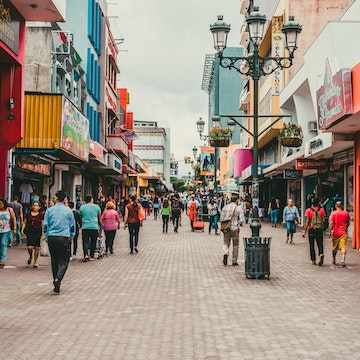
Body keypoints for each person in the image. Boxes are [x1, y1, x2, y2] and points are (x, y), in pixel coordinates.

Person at [44, 190, 75, 294]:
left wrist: (46, 235)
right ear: (64, 199)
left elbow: (46, 225)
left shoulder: (49, 210)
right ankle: (58, 279)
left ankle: (56, 280)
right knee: (64, 261)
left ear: (56, 198)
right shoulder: (68, 211)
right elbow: (72, 226)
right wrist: (71, 236)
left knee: (54, 260)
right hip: (64, 237)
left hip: (52, 237)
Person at [302, 198, 326, 265]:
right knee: (320, 244)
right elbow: (323, 220)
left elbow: (307, 221)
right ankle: (320, 254)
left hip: (311, 229)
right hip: (319, 230)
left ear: (312, 203)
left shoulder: (308, 210)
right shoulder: (321, 210)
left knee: (312, 245)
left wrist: (304, 231)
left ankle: (313, 260)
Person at [220, 195, 242, 266]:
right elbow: (242, 220)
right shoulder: (238, 208)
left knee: (226, 243)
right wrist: (238, 224)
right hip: (234, 228)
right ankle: (234, 260)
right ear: (236, 201)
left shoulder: (225, 207)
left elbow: (221, 218)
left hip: (226, 228)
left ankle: (225, 253)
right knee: (235, 245)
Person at [21, 201, 44, 268]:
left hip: (37, 231)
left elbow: (43, 224)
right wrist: (22, 230)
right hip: (30, 231)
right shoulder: (28, 214)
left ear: (39, 207)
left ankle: (35, 262)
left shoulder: (41, 215)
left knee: (37, 247)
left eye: (36, 206)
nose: (35, 207)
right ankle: (31, 256)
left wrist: (43, 234)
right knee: (30, 247)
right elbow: (25, 223)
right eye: (34, 205)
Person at [328, 201, 351, 267]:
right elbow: (348, 223)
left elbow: (331, 223)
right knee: (343, 246)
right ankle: (343, 260)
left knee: (334, 248)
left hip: (336, 233)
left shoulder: (333, 213)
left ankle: (334, 258)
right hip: (343, 233)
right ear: (342, 206)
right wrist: (345, 227)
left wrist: (329, 231)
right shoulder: (346, 213)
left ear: (336, 206)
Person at [79, 194, 101, 261]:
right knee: (93, 241)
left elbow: (81, 217)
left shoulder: (82, 207)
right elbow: (99, 217)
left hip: (85, 226)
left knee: (85, 241)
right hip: (94, 226)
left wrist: (81, 224)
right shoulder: (97, 207)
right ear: (91, 199)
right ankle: (91, 255)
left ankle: (86, 254)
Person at [0, 199, 17, 268]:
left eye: (1, 203)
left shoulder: (9, 210)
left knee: (3, 243)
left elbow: (14, 219)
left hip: (6, 230)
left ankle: (2, 260)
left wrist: (15, 228)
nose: (0, 205)